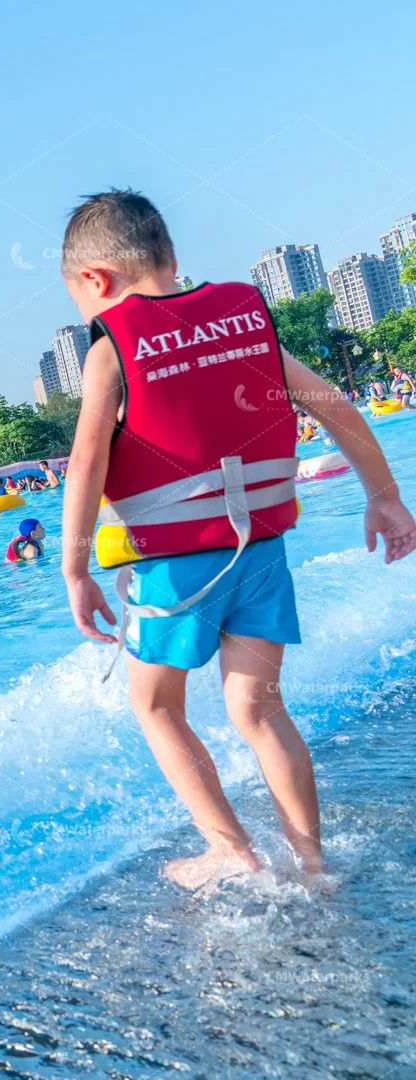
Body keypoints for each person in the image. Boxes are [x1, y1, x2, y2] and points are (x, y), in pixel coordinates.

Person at [58, 189, 416, 890]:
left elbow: (86, 463)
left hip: (178, 568)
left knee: (157, 706)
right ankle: (310, 861)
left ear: (96, 281)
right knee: (258, 707)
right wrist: (384, 497)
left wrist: (75, 569)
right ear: (170, 258)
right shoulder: (243, 321)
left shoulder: (111, 353)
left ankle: (230, 849)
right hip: (260, 555)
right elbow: (334, 406)